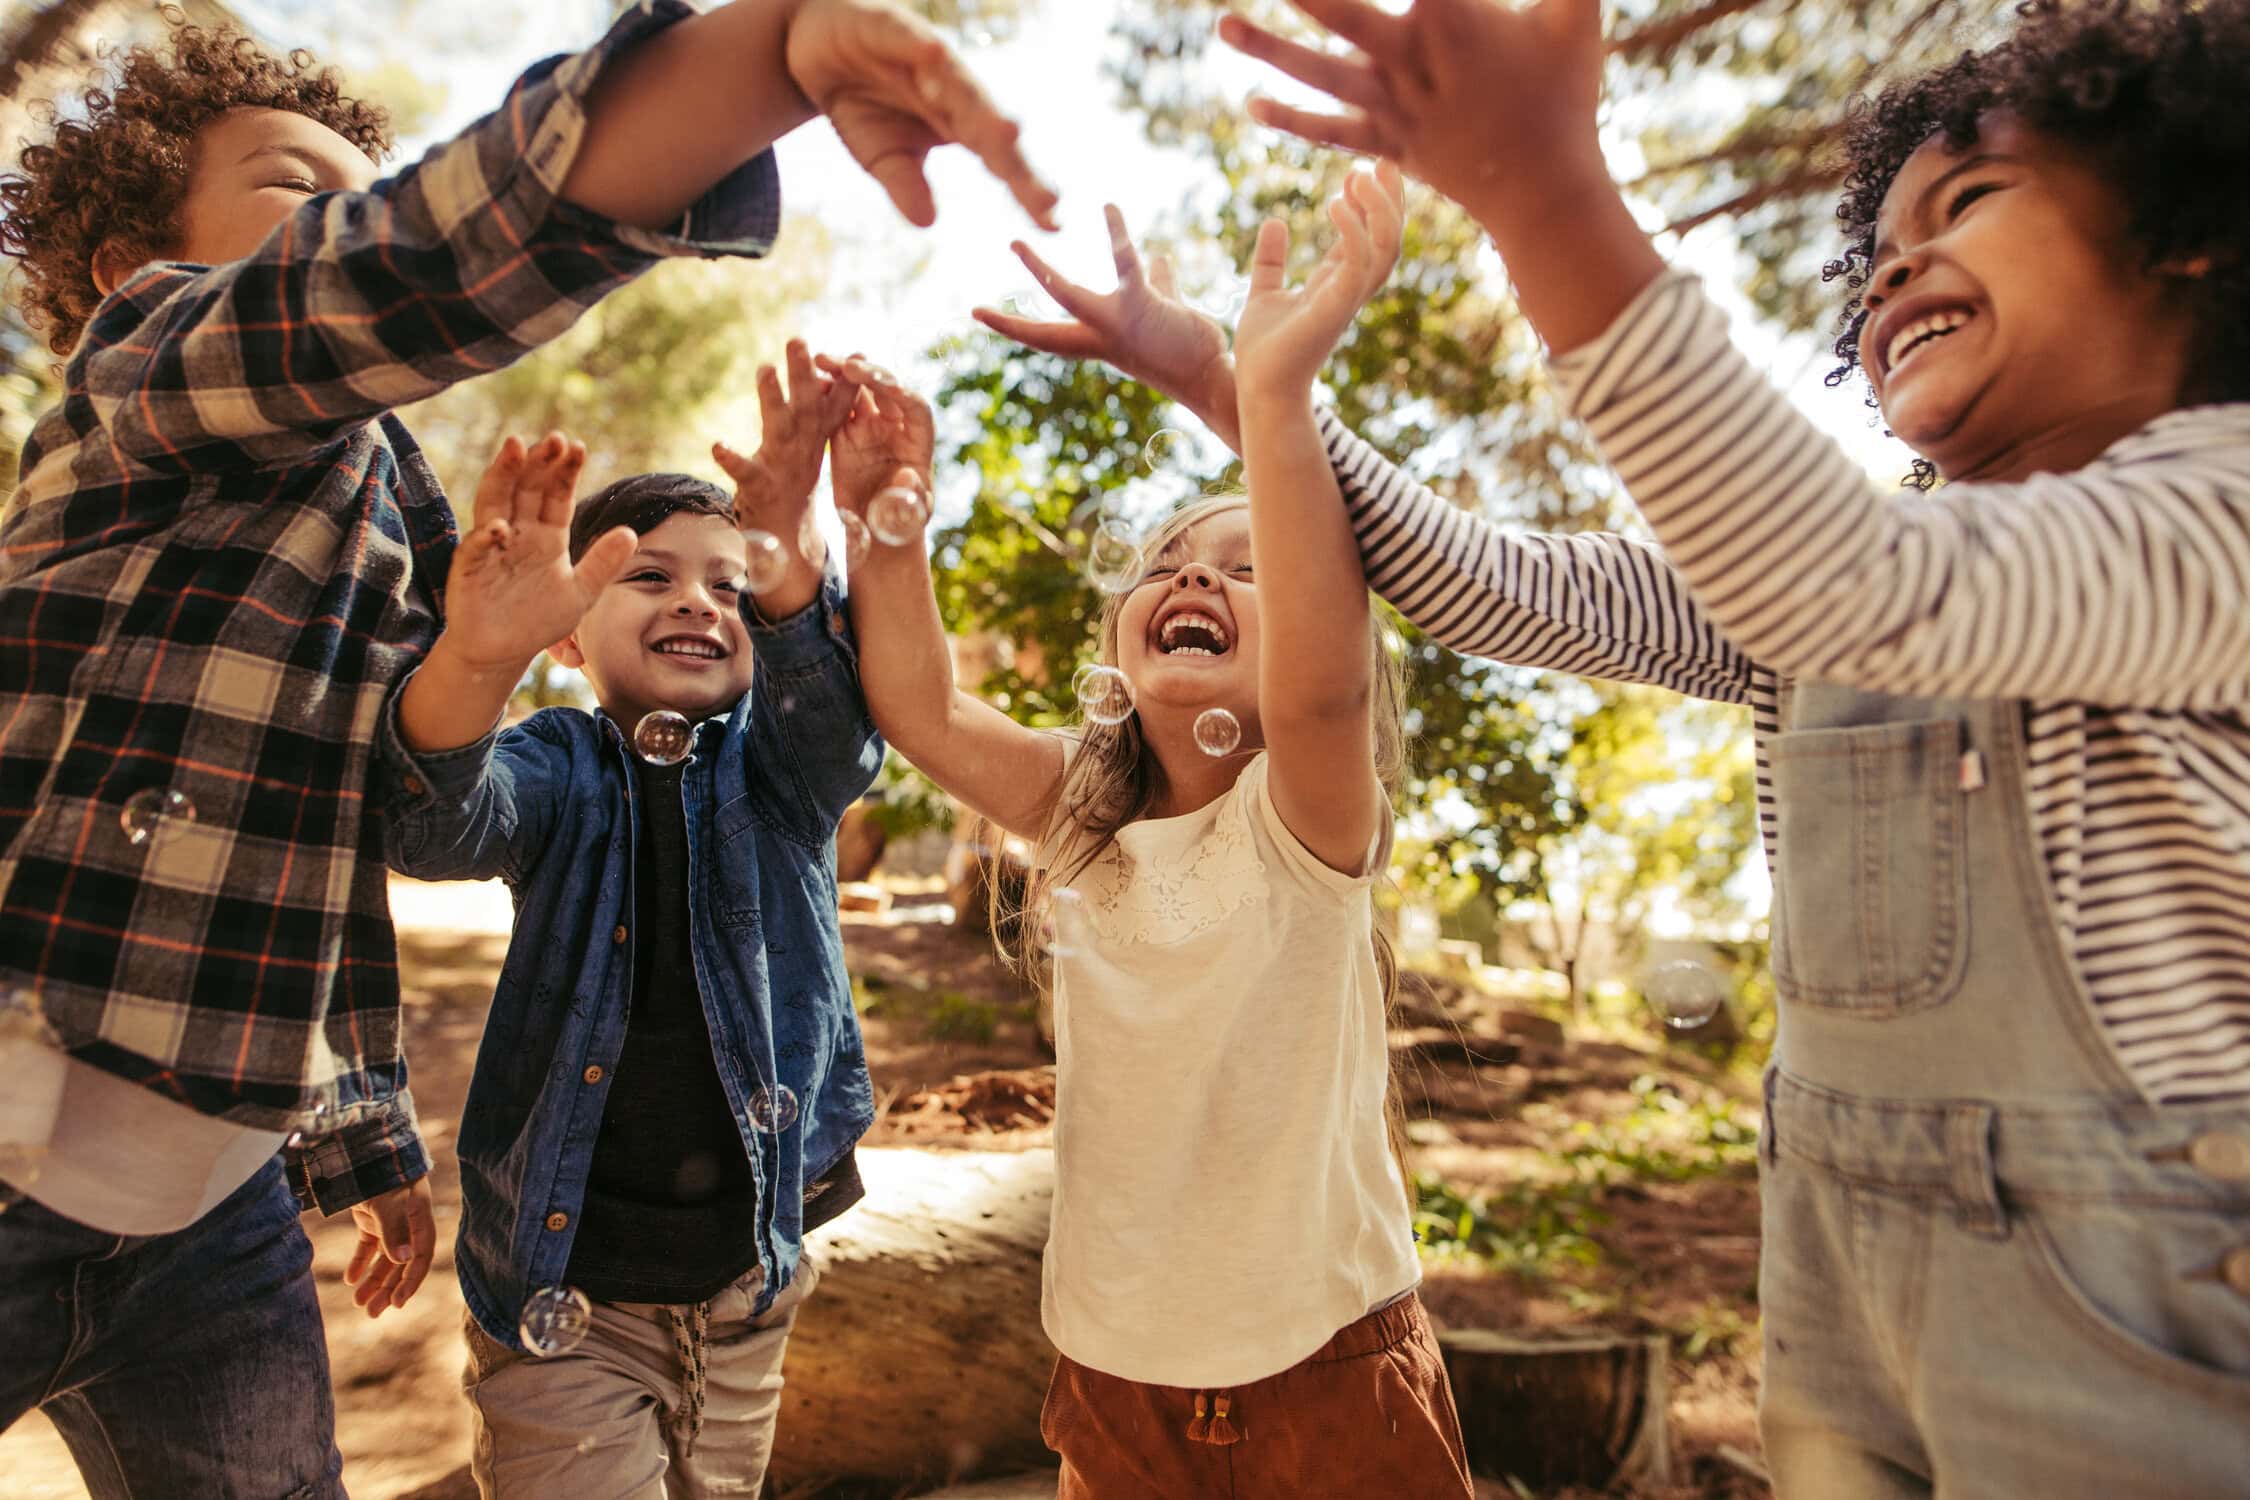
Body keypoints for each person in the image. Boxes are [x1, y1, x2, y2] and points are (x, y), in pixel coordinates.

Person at [993, 1, 2250, 1494]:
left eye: (1968, 199)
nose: (1898, 261)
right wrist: (1240, 385)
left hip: (2133, 1297)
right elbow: (1492, 581)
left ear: (2188, 233)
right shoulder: (1838, 575)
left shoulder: (2215, 509)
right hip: (1845, 1279)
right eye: (1881, 243)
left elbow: (1855, 583)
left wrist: (1544, 199)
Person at [0, 3, 1052, 1492]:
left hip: (214, 1210)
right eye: (299, 189)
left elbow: (327, 836)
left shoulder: (402, 509)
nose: (342, 217)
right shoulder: (144, 376)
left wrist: (363, 1140)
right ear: (130, 266)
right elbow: (389, 280)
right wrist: (752, 68)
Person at [832, 164, 1472, 1498]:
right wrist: (883, 526)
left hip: (1327, 1374)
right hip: (1112, 1371)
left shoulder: (1301, 813)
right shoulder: (1084, 816)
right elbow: (924, 708)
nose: (1196, 574)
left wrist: (1270, 392)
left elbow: (1320, 670)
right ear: (1122, 646)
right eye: (1172, 561)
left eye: (1249, 566)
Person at [379, 343, 879, 1497]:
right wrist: (476, 653)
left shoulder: (777, 772)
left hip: (748, 1285)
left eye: (731, 583)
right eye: (649, 578)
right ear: (567, 633)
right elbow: (435, 827)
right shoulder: (558, 761)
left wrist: (794, 558)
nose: (700, 599)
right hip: (567, 1296)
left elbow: (840, 733)